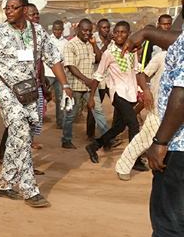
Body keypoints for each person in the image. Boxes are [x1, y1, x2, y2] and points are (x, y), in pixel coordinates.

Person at [0, 0, 73, 207]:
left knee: (18, 137)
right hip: (7, 90)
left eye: (13, 8)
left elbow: (54, 59)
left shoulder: (37, 32)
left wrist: (65, 85)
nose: (9, 11)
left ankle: (4, 183)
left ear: (24, 10)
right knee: (21, 133)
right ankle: (29, 189)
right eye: (7, 8)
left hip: (29, 92)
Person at [119, 20, 184, 237]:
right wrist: (145, 33)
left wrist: (160, 141)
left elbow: (181, 95)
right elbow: (177, 39)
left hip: (179, 147)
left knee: (168, 217)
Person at [86, 22, 144, 165]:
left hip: (131, 93)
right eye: (116, 32)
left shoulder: (132, 51)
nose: (119, 35)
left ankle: (94, 145)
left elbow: (136, 71)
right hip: (118, 93)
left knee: (119, 127)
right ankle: (134, 160)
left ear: (129, 33)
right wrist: (92, 97)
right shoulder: (109, 53)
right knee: (134, 124)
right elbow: (98, 75)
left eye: (123, 32)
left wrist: (142, 90)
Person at [115, 46, 166, 180]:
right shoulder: (162, 56)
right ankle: (123, 166)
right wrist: (146, 92)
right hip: (158, 107)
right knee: (145, 139)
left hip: (178, 109)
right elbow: (142, 75)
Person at [61, 18, 107, 149]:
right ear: (77, 30)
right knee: (71, 114)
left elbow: (99, 58)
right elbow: (70, 66)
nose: (87, 33)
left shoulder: (90, 43)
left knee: (98, 111)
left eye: (89, 31)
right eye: (84, 30)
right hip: (75, 86)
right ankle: (66, 139)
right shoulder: (71, 45)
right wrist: (86, 80)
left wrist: (94, 45)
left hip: (90, 87)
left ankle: (107, 137)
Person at [44, 20, 68, 129]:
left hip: (60, 74)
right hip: (48, 72)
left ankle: (60, 122)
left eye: (59, 29)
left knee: (59, 98)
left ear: (62, 30)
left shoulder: (66, 42)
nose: (57, 31)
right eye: (55, 29)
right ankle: (39, 118)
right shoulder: (48, 40)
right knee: (42, 96)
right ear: (52, 30)